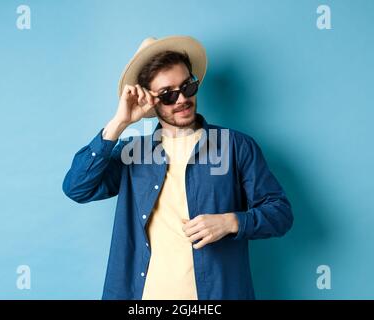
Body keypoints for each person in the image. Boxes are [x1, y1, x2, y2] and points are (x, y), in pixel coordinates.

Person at [62, 35, 293, 300]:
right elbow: (77, 187)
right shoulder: (132, 153)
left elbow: (280, 214)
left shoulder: (235, 146)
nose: (182, 99)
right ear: (150, 100)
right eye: (168, 94)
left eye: (188, 87)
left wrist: (231, 222)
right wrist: (119, 123)